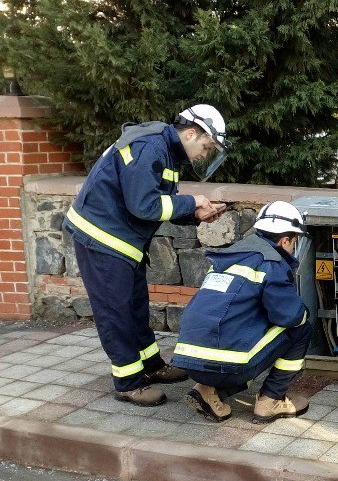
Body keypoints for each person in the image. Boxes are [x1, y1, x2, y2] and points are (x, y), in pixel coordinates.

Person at [64, 104, 230, 407]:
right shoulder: (149, 147)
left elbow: (160, 202)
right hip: (102, 240)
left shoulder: (165, 150)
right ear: (191, 132)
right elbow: (144, 205)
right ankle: (128, 383)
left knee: (136, 306)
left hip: (121, 241)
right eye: (206, 146)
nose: (205, 154)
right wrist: (192, 201)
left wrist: (196, 213)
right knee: (116, 313)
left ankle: (151, 367)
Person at [171, 201, 312, 424]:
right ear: (285, 240)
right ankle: (271, 400)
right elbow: (289, 316)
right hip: (225, 364)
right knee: (301, 326)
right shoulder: (271, 263)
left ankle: (208, 391)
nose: (293, 248)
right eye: (293, 242)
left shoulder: (228, 257)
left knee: (242, 338)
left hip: (189, 361)